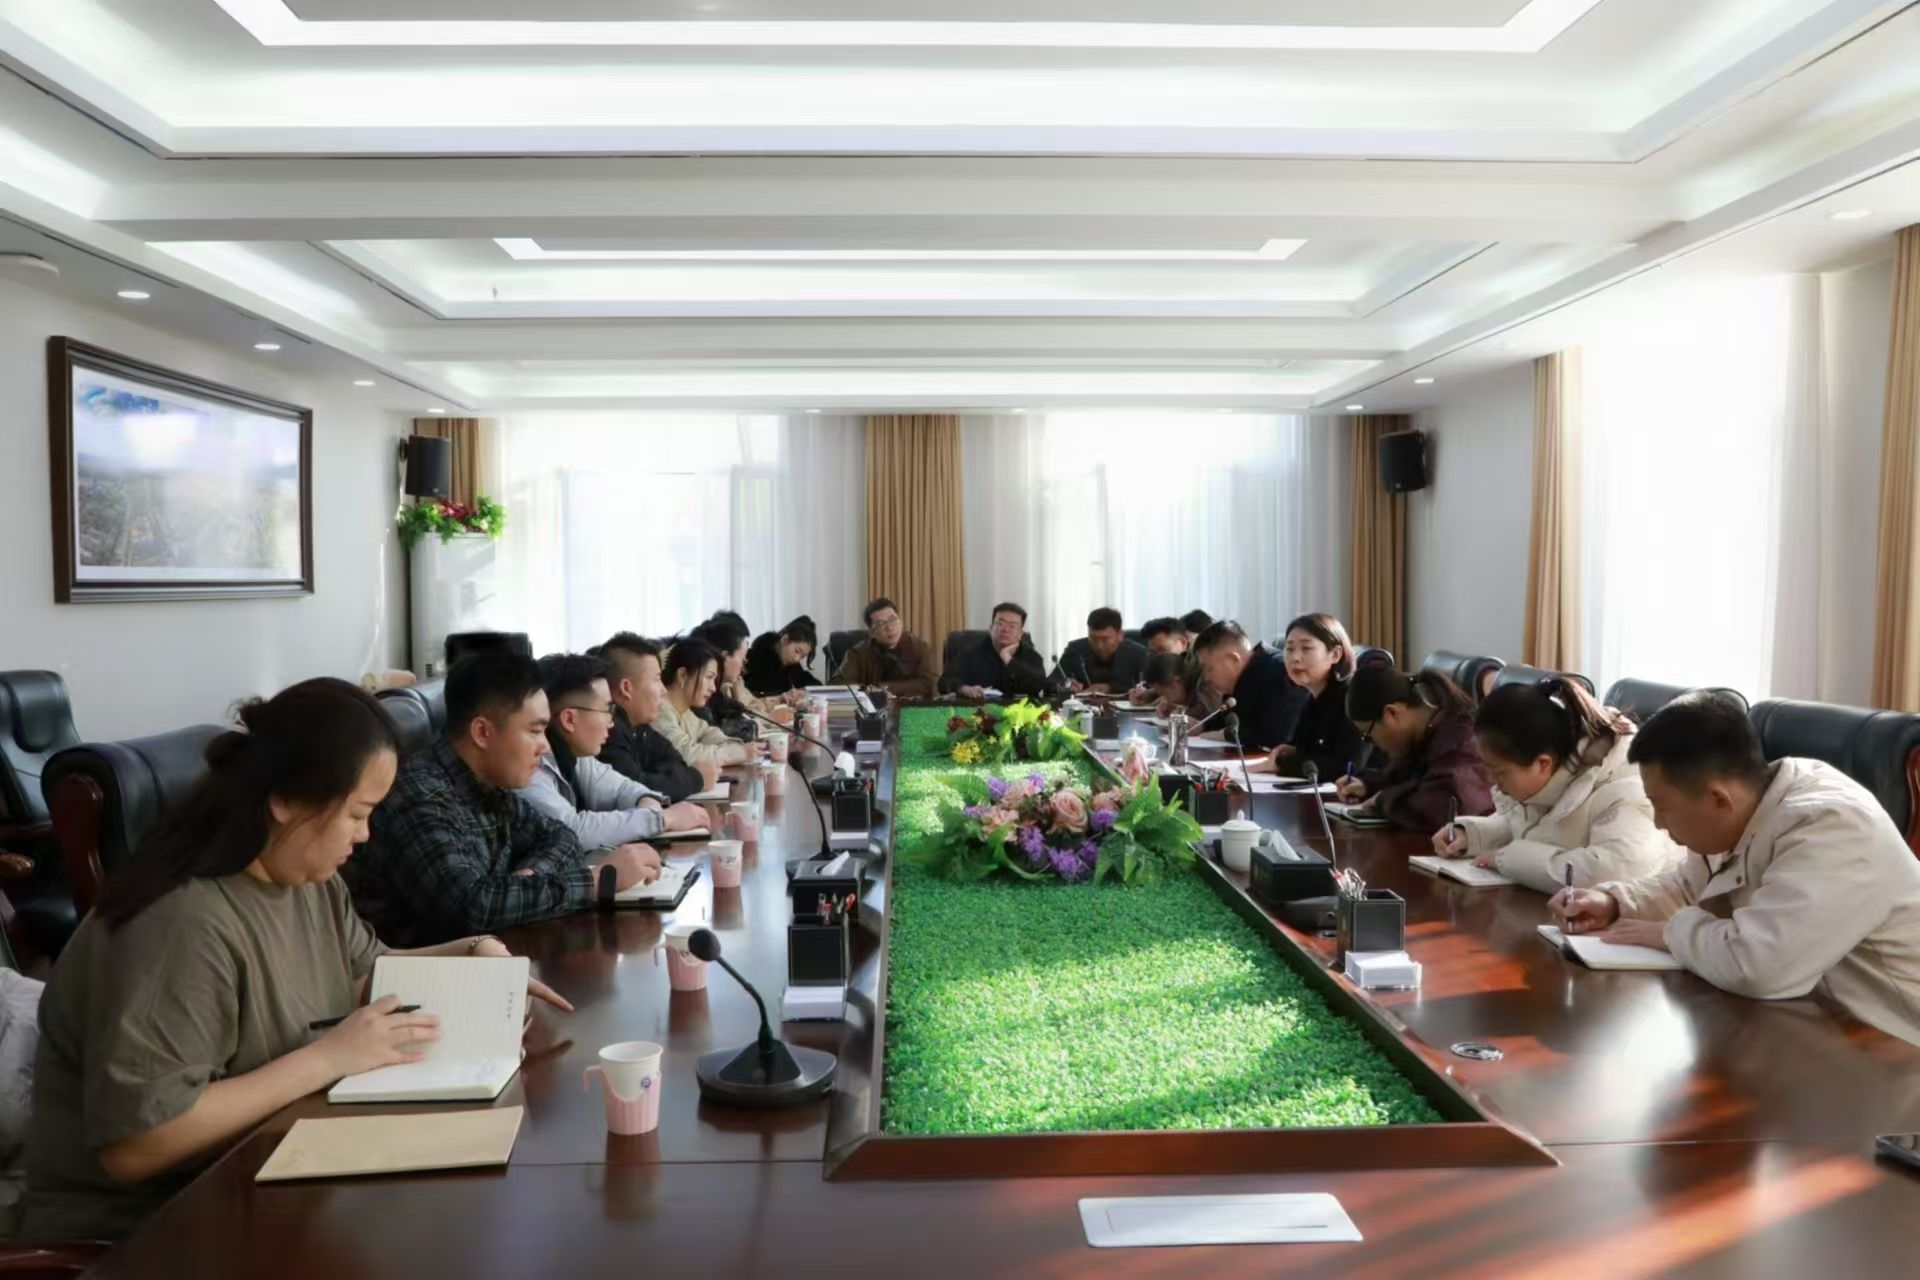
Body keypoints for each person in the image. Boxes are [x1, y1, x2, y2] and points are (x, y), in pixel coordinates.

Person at [22, 679, 573, 1240]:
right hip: (151, 1229)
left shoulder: (305, 879)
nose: (365, 835)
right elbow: (140, 1144)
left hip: (274, 1171)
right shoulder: (176, 923)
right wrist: (327, 1059)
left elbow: (367, 974)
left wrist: (474, 952)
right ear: (285, 801)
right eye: (357, 814)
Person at [1552, 692, 1920, 1045]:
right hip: (1809, 1026)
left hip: (1893, 1049)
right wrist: (1615, 902)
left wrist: (1668, 933)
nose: (1658, 824)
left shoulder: (1834, 826)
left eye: (1661, 807)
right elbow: (1689, 887)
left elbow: (1760, 966)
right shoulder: (1746, 810)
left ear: (1718, 799)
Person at [345, 651, 662, 947]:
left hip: (493, 956)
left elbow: (561, 836)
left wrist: (527, 879)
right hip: (429, 976)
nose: (545, 747)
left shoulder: (488, 785)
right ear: (482, 732)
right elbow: (473, 907)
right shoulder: (421, 796)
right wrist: (597, 881)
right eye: (535, 731)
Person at [1431, 679, 1682, 893]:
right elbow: (1530, 826)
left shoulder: (1626, 786)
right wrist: (1471, 835)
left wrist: (1508, 859)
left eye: (1499, 772)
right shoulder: (1552, 774)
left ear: (1543, 763)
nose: (1491, 781)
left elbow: (1615, 870)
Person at [522, 654, 709, 850]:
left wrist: (646, 802)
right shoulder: (531, 767)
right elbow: (571, 831)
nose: (611, 723)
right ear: (569, 720)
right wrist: (661, 819)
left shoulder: (576, 755)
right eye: (607, 710)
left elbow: (622, 788)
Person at [1333, 666, 1495, 832]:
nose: (1372, 743)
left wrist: (1381, 800)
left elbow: (1445, 806)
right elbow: (1413, 780)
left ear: (1392, 713)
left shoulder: (1462, 740)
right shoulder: (1428, 731)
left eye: (1368, 735)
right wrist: (1369, 786)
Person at [595, 632, 717, 802]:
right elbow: (633, 788)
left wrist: (671, 779)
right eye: (657, 679)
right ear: (626, 688)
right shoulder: (608, 731)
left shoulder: (640, 727)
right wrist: (696, 779)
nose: (663, 690)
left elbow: (676, 762)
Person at [1261, 613, 1367, 783]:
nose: (1295, 657)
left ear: (1335, 654)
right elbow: (1304, 749)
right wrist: (1292, 752)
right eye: (1289, 649)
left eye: (1306, 648)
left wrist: (1281, 763)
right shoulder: (1312, 698)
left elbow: (1345, 767)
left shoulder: (1354, 699)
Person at [1191, 620, 1308, 752]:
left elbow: (1274, 736)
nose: (1206, 678)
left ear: (1232, 660)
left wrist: (1224, 734)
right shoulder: (1248, 677)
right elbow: (1233, 720)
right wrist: (1202, 726)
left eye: (1209, 669)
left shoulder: (1279, 672)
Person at [656, 637, 763, 768]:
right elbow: (688, 755)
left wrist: (736, 749)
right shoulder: (659, 711)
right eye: (709, 677)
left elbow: (709, 734)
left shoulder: (685, 713)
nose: (713, 688)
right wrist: (740, 752)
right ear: (682, 675)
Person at [831, 597, 938, 699]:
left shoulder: (919, 647)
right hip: (871, 708)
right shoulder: (857, 654)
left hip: (910, 707)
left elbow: (929, 683)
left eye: (893, 619)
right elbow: (837, 683)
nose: (890, 627)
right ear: (872, 633)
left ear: (901, 621)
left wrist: (885, 688)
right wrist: (870, 690)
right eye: (881, 624)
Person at [941, 602, 1049, 699]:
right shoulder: (971, 654)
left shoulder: (1030, 656)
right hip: (979, 711)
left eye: (1012, 626)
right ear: (991, 627)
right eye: (1000, 624)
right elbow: (944, 682)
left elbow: (1038, 685)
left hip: (1019, 712)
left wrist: (1008, 660)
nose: (1005, 629)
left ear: (1020, 634)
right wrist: (964, 689)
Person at [1053, 607, 1149, 695]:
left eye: (1105, 639)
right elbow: (1052, 681)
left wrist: (1111, 688)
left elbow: (1152, 687)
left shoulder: (1139, 654)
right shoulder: (1075, 650)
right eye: (1093, 638)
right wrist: (1065, 684)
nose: (1099, 645)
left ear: (1120, 635)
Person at [744, 616, 819, 698]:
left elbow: (813, 685)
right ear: (785, 639)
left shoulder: (791, 664)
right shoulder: (755, 658)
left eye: (802, 656)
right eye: (797, 651)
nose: (797, 659)